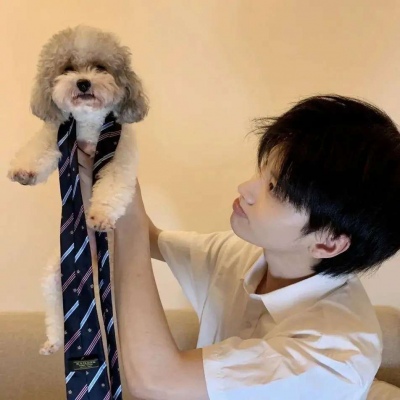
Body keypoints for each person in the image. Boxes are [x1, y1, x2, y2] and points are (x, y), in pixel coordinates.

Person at [78, 94, 400, 400]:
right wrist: (103, 167)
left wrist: (129, 218)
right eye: (263, 171)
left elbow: (154, 380)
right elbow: (148, 239)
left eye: (274, 188)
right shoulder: (246, 256)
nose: (246, 188)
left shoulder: (334, 354)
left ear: (328, 243)